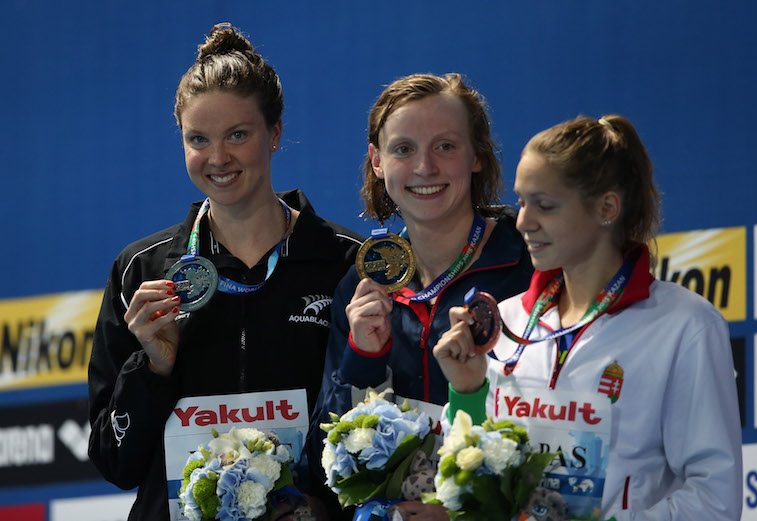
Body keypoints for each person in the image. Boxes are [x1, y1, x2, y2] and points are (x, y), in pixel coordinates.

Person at [88, 23, 363, 521]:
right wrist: (152, 369)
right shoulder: (141, 271)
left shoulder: (346, 263)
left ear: (275, 133)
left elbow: (375, 430)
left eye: (238, 135)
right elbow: (114, 461)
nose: (218, 158)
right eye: (198, 139)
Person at [432, 115, 742, 521]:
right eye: (522, 202)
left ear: (606, 207)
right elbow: (465, 487)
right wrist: (467, 392)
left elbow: (714, 498)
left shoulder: (685, 327)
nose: (523, 221)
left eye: (545, 205)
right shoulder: (506, 322)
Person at [309, 73, 533, 520]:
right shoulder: (361, 287)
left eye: (445, 146)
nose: (425, 168)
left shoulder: (530, 263)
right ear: (377, 161)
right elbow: (322, 467)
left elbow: (559, 432)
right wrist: (363, 357)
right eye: (403, 149)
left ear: (477, 156)